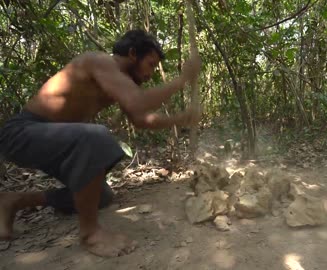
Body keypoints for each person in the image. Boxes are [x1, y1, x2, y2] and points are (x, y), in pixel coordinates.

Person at [0, 29, 201, 257]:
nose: (151, 73)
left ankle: (14, 201)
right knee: (95, 136)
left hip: (54, 140)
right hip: (22, 133)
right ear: (133, 54)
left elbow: (140, 119)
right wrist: (183, 79)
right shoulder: (100, 62)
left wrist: (181, 118)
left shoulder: (120, 81)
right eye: (151, 64)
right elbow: (139, 103)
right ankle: (91, 235)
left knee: (101, 196)